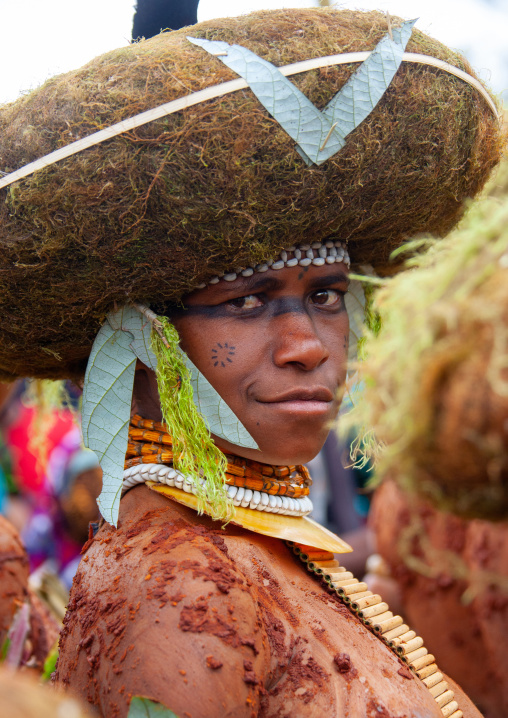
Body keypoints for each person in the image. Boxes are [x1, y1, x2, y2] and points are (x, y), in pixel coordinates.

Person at [0, 7, 501, 717]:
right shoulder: (179, 590)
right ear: (140, 343)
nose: (306, 345)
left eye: (326, 295)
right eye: (246, 302)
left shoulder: (252, 555)